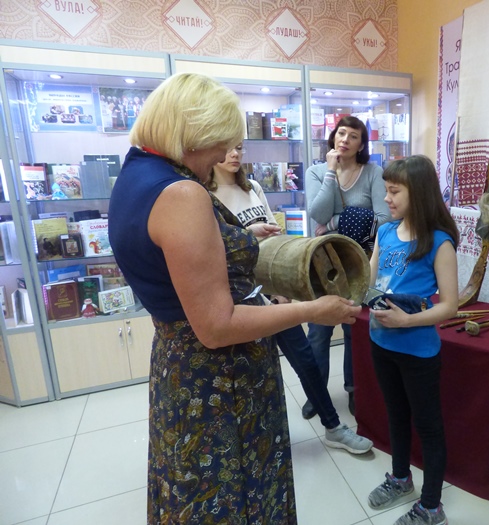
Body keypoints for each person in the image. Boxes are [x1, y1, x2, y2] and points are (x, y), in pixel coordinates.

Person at [108, 72, 361, 524]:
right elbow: (217, 326)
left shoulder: (135, 176)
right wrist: (313, 310)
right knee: (233, 492)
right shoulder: (182, 194)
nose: (224, 154)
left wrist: (246, 251)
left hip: (177, 365)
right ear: (195, 134)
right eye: (220, 143)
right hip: (219, 383)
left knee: (192, 489)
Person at [206, 143, 373, 455]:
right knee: (253, 371)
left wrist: (280, 289)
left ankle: (334, 427)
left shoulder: (253, 187)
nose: (235, 154)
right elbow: (214, 251)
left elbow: (275, 239)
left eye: (239, 147)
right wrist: (249, 233)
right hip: (238, 298)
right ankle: (256, 442)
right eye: (227, 148)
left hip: (271, 289)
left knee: (305, 359)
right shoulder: (206, 196)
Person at [365, 155, 459, 525]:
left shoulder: (439, 243)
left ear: (417, 193)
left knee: (429, 426)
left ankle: (432, 507)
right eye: (386, 190)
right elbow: (369, 280)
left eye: (394, 191)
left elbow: (449, 306)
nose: (386, 198)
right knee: (396, 415)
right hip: (381, 343)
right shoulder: (386, 232)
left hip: (418, 352)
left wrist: (407, 320)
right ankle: (401, 478)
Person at [305, 115, 390, 417]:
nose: (345, 140)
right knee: (318, 331)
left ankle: (355, 390)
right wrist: (331, 171)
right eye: (341, 133)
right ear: (333, 137)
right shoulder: (316, 171)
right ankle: (316, 394)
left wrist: (335, 223)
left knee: (354, 330)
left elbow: (384, 219)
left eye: (353, 136)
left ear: (361, 144)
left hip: (359, 264)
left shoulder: (373, 173)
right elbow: (317, 212)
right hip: (322, 262)